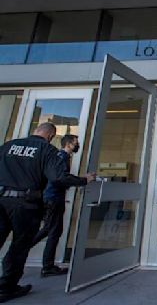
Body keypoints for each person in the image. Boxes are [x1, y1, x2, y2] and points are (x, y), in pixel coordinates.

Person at [0, 123, 95, 303]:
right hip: (25, 204)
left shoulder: (9, 145)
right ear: (51, 135)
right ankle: (6, 287)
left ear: (36, 131)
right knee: (20, 245)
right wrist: (84, 180)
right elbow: (58, 177)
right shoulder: (46, 150)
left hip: (1, 199)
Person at [31, 134, 83, 277]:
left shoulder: (63, 157)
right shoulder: (61, 157)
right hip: (53, 199)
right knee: (53, 231)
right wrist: (83, 180)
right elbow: (59, 178)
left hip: (52, 199)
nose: (77, 144)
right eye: (75, 142)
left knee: (50, 229)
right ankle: (46, 266)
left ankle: (23, 250)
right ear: (68, 144)